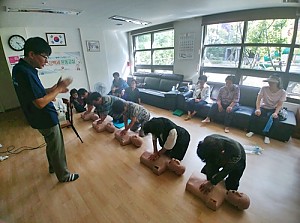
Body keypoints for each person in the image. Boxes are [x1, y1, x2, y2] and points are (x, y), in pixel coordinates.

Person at [12, 37, 79, 183]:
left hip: (35, 117)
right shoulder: (27, 73)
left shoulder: (19, 69)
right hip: (44, 117)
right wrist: (60, 88)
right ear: (31, 54)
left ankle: (53, 167)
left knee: (51, 143)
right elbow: (40, 102)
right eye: (44, 57)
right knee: (57, 146)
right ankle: (64, 175)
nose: (46, 61)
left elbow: (39, 92)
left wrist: (55, 88)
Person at [246, 74, 286, 144]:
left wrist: (276, 113)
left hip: (273, 108)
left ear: (277, 83)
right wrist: (258, 109)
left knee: (275, 120)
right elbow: (258, 99)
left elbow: (280, 105)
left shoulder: (282, 92)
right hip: (263, 107)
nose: (270, 83)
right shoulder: (264, 88)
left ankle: (267, 136)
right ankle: (252, 130)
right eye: (269, 82)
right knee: (254, 115)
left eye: (272, 82)